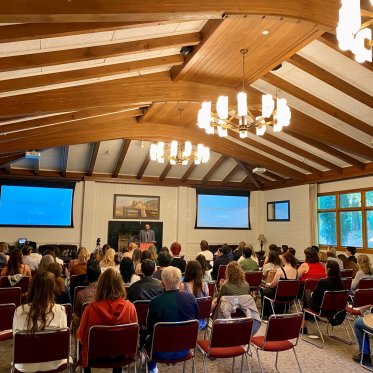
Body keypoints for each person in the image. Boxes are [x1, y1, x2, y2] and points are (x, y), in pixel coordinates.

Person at [77, 268, 138, 373]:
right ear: (120, 285)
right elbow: (134, 336)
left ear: (101, 286)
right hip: (121, 355)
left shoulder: (90, 309)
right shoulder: (130, 307)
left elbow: (81, 337)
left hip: (95, 356)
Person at [146, 266, 199, 373]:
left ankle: (152, 368)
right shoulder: (191, 298)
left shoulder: (154, 302)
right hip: (185, 348)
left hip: (159, 351)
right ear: (180, 282)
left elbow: (150, 329)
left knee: (147, 338)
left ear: (162, 283)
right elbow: (195, 321)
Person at [13, 272, 68, 372]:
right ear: (52, 290)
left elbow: (15, 338)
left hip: (25, 364)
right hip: (54, 362)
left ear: (32, 287)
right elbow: (63, 341)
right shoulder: (61, 310)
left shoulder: (19, 311)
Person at [302, 261, 344, 334]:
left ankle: (303, 326)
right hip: (334, 309)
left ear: (328, 270)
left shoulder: (323, 282)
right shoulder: (341, 283)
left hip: (321, 309)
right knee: (308, 297)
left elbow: (314, 297)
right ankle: (303, 326)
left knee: (307, 293)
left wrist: (312, 293)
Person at [261, 252, 298, 318]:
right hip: (291, 296)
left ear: (284, 260)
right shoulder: (296, 270)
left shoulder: (281, 270)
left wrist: (268, 285)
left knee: (264, 292)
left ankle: (265, 314)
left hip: (279, 296)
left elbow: (273, 285)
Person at [180, 260, 209, 329]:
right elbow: (206, 303)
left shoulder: (182, 286)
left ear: (187, 271)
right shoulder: (205, 285)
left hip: (186, 322)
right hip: (201, 322)